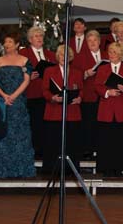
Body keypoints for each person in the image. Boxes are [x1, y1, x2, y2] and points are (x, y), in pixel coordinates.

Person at [0, 32, 36, 178]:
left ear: (17, 44)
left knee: (17, 133)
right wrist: (4, 95)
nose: (7, 44)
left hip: (17, 102)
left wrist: (14, 96)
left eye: (10, 42)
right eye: (5, 42)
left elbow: (26, 80)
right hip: (0, 101)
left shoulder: (24, 60)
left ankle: (19, 168)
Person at [94, 42, 123, 176]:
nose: (111, 54)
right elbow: (97, 86)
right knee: (106, 139)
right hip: (106, 108)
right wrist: (108, 92)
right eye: (110, 52)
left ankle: (121, 167)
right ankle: (105, 168)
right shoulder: (103, 69)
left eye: (114, 52)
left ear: (121, 55)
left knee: (122, 140)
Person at [41, 45, 83, 173]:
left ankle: (71, 169)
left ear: (70, 58)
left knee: (72, 142)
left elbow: (81, 89)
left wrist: (80, 98)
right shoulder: (49, 71)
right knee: (53, 141)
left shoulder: (77, 72)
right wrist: (52, 97)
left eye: (66, 55)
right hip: (54, 111)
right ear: (57, 56)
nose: (63, 57)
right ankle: (52, 168)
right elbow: (45, 90)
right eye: (60, 55)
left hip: (72, 112)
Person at [19, 26, 56, 158]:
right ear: (30, 39)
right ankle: (33, 150)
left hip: (47, 94)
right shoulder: (24, 53)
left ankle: (45, 150)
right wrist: (28, 76)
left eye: (41, 36)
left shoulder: (50, 54)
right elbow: (17, 71)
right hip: (31, 93)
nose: (39, 38)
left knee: (46, 124)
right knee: (34, 123)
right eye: (36, 36)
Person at [74, 29, 103, 158]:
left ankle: (100, 148)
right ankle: (88, 150)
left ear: (99, 41)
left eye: (95, 40)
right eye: (89, 41)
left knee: (101, 124)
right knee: (88, 124)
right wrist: (85, 74)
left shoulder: (107, 55)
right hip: (88, 95)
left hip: (104, 96)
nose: (92, 43)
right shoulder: (80, 57)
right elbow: (75, 76)